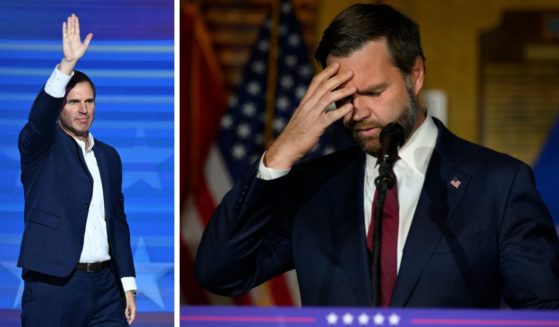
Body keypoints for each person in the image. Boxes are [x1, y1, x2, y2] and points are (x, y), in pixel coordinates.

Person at [195, 3, 559, 308]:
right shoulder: (314, 188)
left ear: (415, 75)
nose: (357, 112)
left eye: (373, 92)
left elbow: (544, 310)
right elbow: (220, 272)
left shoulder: (498, 184)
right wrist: (280, 154)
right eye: (343, 96)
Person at [18, 14, 137, 325]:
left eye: (89, 101)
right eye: (73, 102)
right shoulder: (41, 147)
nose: (83, 110)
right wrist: (66, 65)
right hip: (53, 286)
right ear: (60, 106)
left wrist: (127, 283)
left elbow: (117, 222)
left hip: (106, 289)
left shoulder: (109, 156)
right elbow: (38, 118)